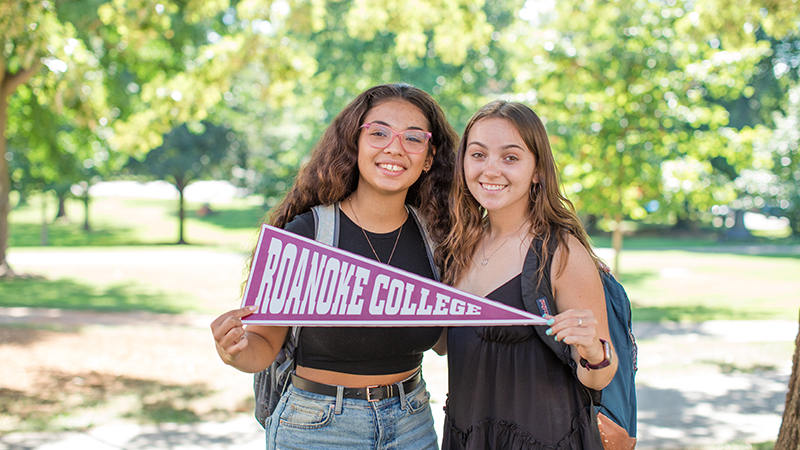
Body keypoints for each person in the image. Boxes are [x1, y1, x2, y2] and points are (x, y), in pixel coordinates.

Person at [211, 83, 457, 450]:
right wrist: (235, 349)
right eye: (379, 133)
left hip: (413, 424)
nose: (394, 147)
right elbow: (262, 344)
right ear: (354, 143)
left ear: (428, 157)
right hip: (318, 428)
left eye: (413, 138)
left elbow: (446, 341)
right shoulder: (307, 234)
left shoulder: (438, 239)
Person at [438, 100, 618, 449]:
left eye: (510, 158)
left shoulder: (561, 252)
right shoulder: (458, 246)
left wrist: (593, 351)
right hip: (469, 436)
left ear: (537, 169)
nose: (490, 170)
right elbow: (445, 345)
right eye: (477, 155)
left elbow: (599, 378)